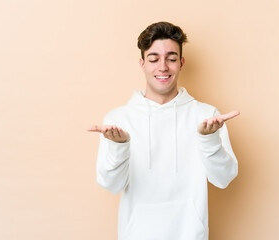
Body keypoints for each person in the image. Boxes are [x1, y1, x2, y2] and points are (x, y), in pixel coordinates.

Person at [88, 21, 239, 240]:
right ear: (142, 63)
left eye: (171, 58)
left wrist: (209, 140)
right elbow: (111, 185)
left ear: (181, 62)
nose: (162, 67)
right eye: (153, 59)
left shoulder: (207, 117)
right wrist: (120, 147)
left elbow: (223, 179)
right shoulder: (118, 120)